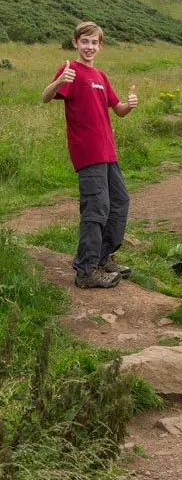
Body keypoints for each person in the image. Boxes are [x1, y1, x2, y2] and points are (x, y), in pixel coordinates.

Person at [41, 20, 138, 289]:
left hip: (108, 152)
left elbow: (117, 109)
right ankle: (85, 271)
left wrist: (129, 105)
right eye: (85, 41)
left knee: (119, 203)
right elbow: (45, 97)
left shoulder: (101, 76)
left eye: (94, 42)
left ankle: (102, 257)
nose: (89, 47)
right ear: (75, 42)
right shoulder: (70, 70)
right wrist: (59, 80)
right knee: (96, 210)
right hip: (88, 153)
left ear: (100, 45)